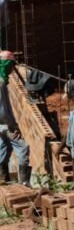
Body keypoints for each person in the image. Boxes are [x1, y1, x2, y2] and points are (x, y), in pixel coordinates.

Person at [0, 50, 31, 185]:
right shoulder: (0, 82)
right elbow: (2, 110)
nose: (13, 69)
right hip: (5, 123)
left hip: (0, 125)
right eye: (11, 65)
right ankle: (24, 182)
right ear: (6, 64)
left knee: (4, 146)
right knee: (22, 146)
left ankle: (2, 178)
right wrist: (13, 127)